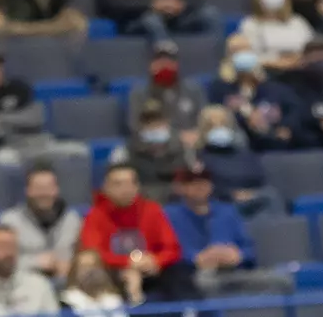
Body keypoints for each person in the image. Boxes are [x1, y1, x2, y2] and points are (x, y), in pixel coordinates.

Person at [80, 162, 199, 302]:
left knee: (180, 273)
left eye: (131, 183)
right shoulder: (95, 216)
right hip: (113, 273)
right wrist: (127, 262)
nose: (126, 189)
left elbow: (172, 248)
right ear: (106, 188)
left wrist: (156, 261)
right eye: (118, 184)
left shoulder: (152, 210)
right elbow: (92, 254)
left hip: (151, 270)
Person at [163, 162, 283, 295]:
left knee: (280, 280)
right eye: (192, 182)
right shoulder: (169, 215)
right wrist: (196, 258)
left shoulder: (228, 211)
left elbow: (250, 249)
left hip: (235, 271)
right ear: (181, 187)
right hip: (194, 275)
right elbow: (167, 251)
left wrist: (238, 255)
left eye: (204, 181)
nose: (200, 186)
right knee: (202, 283)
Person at [0, 44, 86, 167]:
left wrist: (0, 118)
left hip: (38, 143)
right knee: (3, 160)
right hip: (7, 149)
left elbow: (37, 117)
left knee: (79, 151)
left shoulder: (19, 87)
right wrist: (18, 121)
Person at [207, 35, 302, 151]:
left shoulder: (273, 86)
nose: (242, 54)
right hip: (238, 139)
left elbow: (294, 109)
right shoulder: (219, 88)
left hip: (272, 137)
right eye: (236, 50)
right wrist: (246, 118)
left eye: (246, 49)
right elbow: (215, 115)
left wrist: (286, 126)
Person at [195, 105, 281, 216]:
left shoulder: (244, 154)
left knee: (272, 195)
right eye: (212, 126)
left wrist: (249, 193)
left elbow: (259, 177)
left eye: (223, 124)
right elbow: (205, 188)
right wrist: (232, 194)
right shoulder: (201, 158)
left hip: (253, 197)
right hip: (224, 201)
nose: (219, 128)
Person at [130, 39, 209, 136]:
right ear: (151, 65)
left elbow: (204, 121)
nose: (164, 65)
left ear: (177, 64)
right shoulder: (139, 93)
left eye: (169, 60)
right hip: (153, 144)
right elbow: (134, 125)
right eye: (159, 60)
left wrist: (194, 135)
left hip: (189, 144)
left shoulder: (193, 90)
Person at [237, 0, 313, 70]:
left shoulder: (298, 22)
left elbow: (311, 50)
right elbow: (248, 58)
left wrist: (295, 61)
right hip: (267, 74)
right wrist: (279, 62)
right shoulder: (250, 25)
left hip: (301, 72)